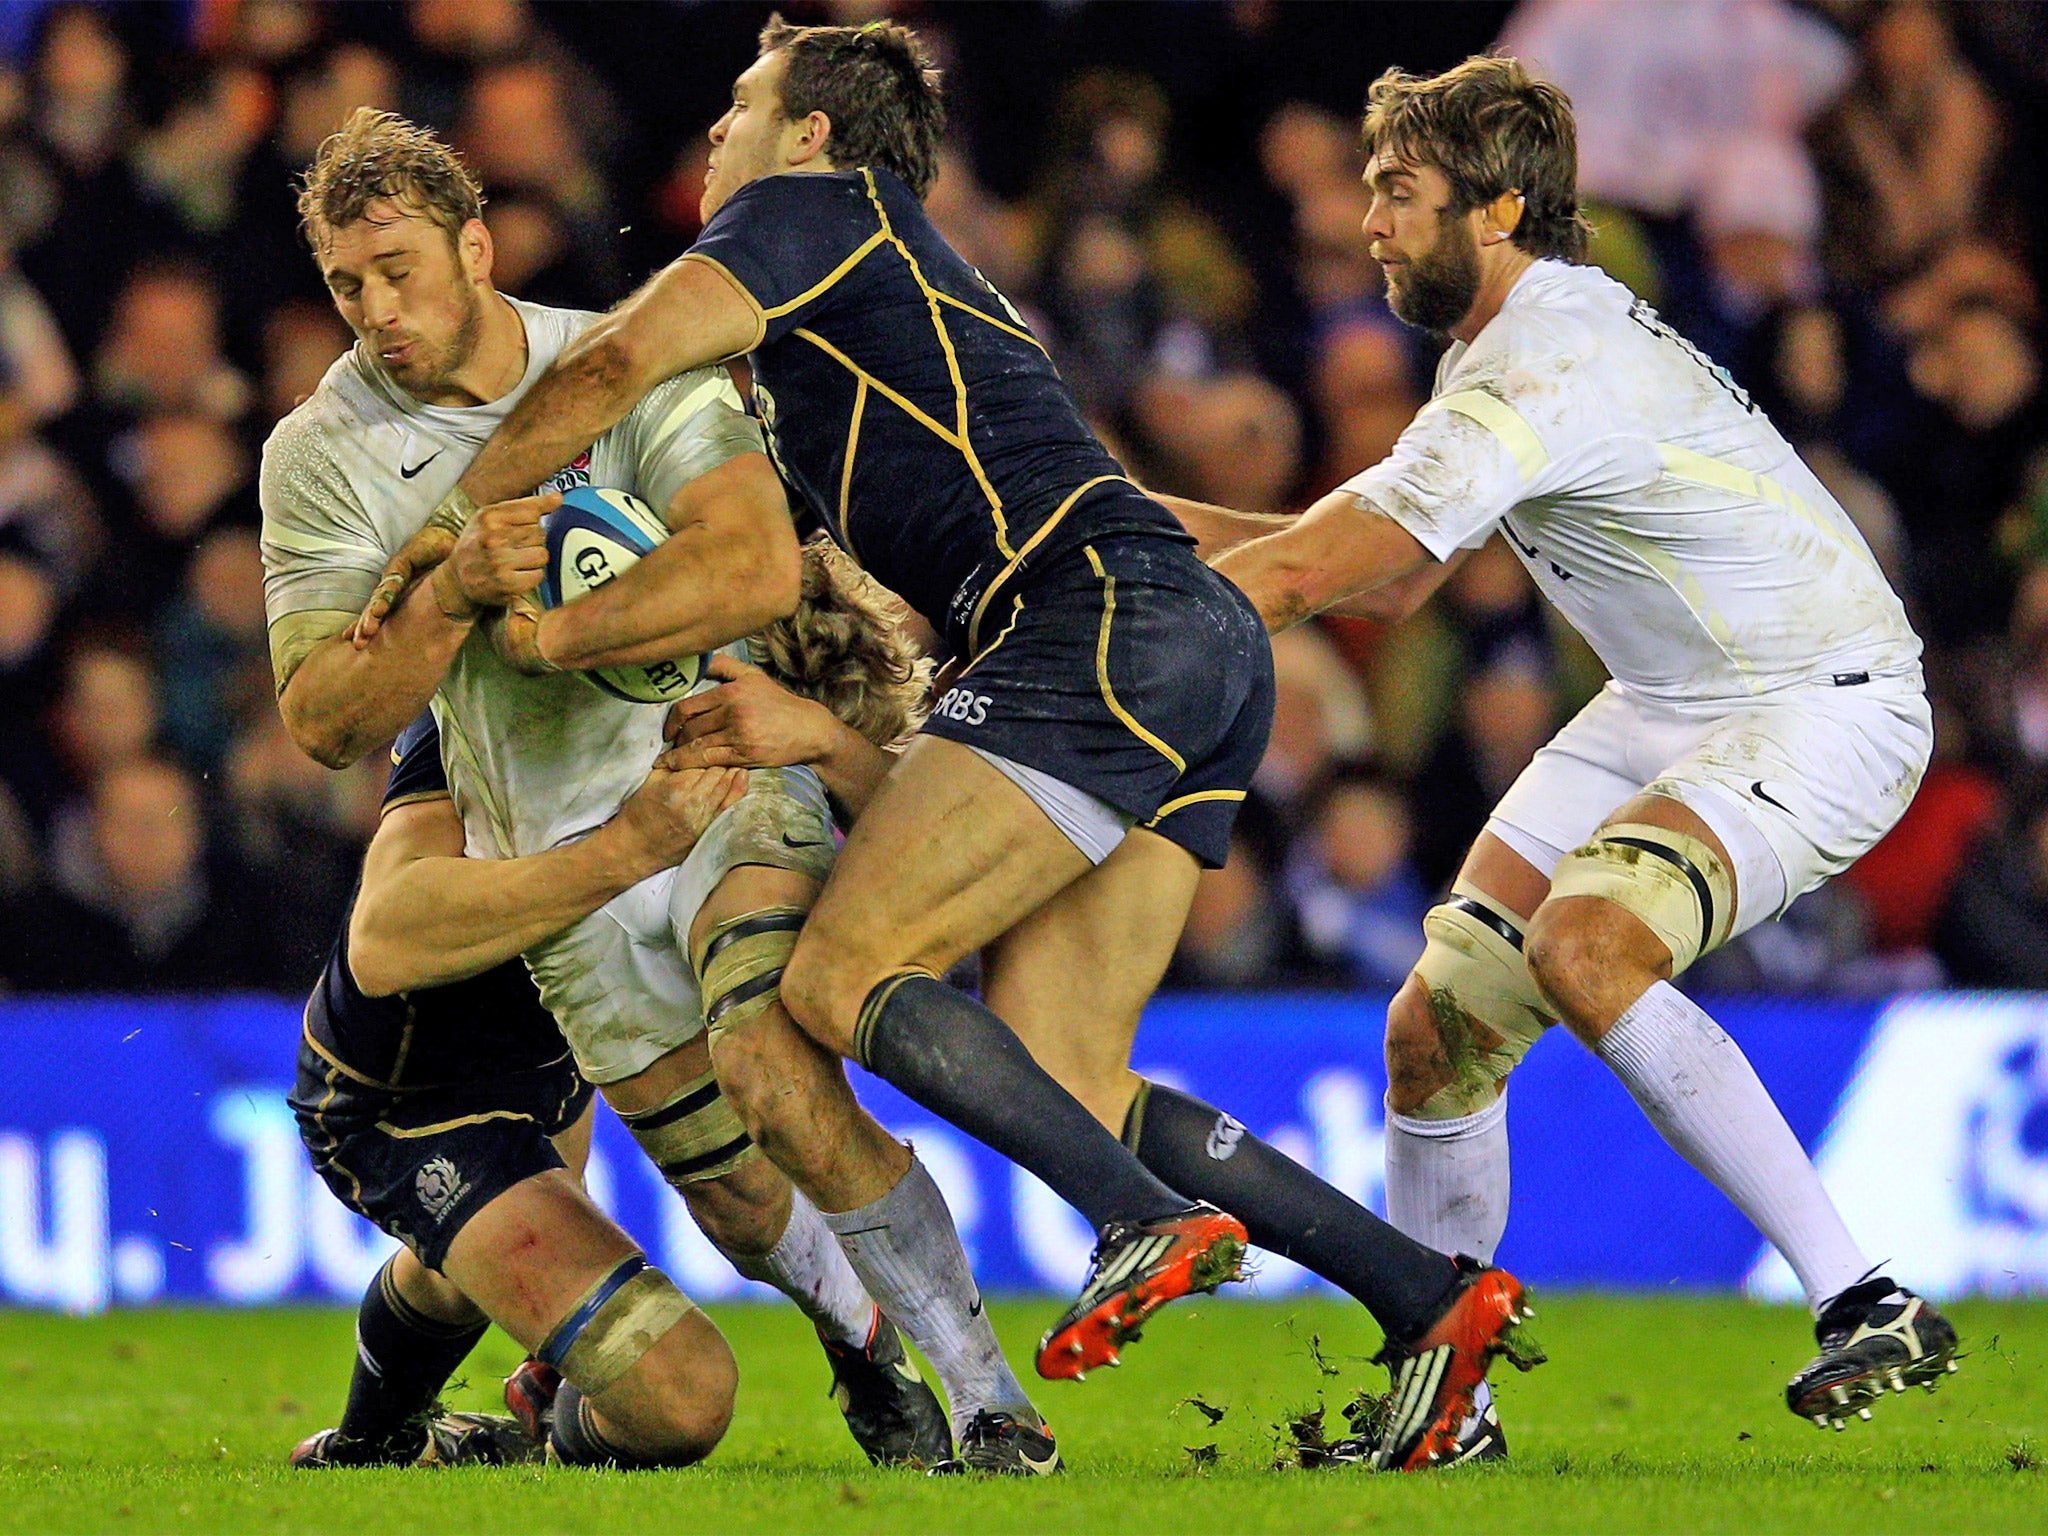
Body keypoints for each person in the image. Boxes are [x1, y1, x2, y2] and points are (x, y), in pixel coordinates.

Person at [358, 16, 1539, 1472]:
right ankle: (1428, 1300)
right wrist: (1308, 565)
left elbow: (600, 369)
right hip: (1186, 637)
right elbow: (1121, 506)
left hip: (1087, 627)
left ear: (813, 136)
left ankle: (1145, 1221)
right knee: (1067, 1072)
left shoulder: (817, 212)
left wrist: (441, 525)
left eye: (742, 102)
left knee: (844, 974)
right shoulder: (883, 313)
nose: (717, 128)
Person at [259, 108, 1041, 1473]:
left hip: (715, 770)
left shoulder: (625, 365)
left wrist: (551, 633)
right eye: (346, 283)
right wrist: (449, 588)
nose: (377, 310)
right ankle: (866, 1354)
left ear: (479, 246)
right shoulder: (318, 455)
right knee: (737, 1199)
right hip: (562, 870)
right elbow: (327, 719)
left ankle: (993, 1409)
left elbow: (750, 569)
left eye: (400, 268)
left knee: (772, 1064)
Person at [1187, 55, 1959, 1434]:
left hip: (1819, 698)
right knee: (1437, 1030)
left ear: (1491, 211)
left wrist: (1103, 572)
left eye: (1396, 192)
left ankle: (1864, 1296)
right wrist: (1115, 524)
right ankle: (1446, 1388)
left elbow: (1321, 578)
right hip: (1673, 698)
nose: (1367, 221)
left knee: (1585, 948)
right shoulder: (1499, 343)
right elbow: (1400, 574)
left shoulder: (1545, 362)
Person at [293, 718, 746, 1469]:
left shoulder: (699, 696)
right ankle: (538, 1432)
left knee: (463, 1267)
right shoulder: (472, 718)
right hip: (406, 1099)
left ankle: (374, 1446)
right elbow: (381, 943)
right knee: (684, 1399)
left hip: (554, 1060)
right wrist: (626, 850)